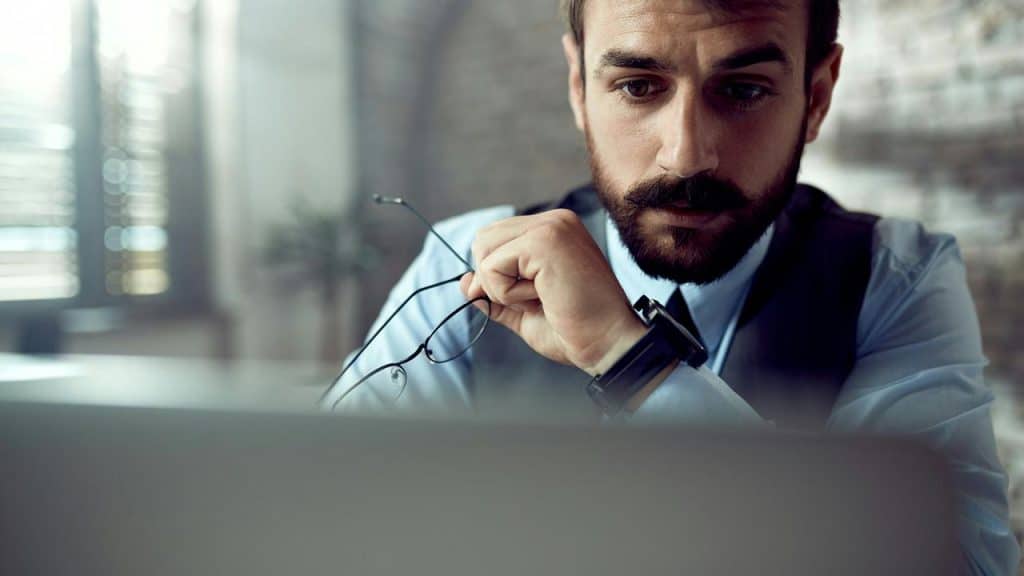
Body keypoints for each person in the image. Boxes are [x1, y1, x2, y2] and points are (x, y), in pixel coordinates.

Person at [323, 0, 1019, 572]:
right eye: (636, 86)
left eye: (743, 90)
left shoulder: (897, 277)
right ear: (578, 89)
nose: (687, 153)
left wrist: (635, 362)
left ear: (816, 96)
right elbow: (323, 526)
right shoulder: (462, 263)